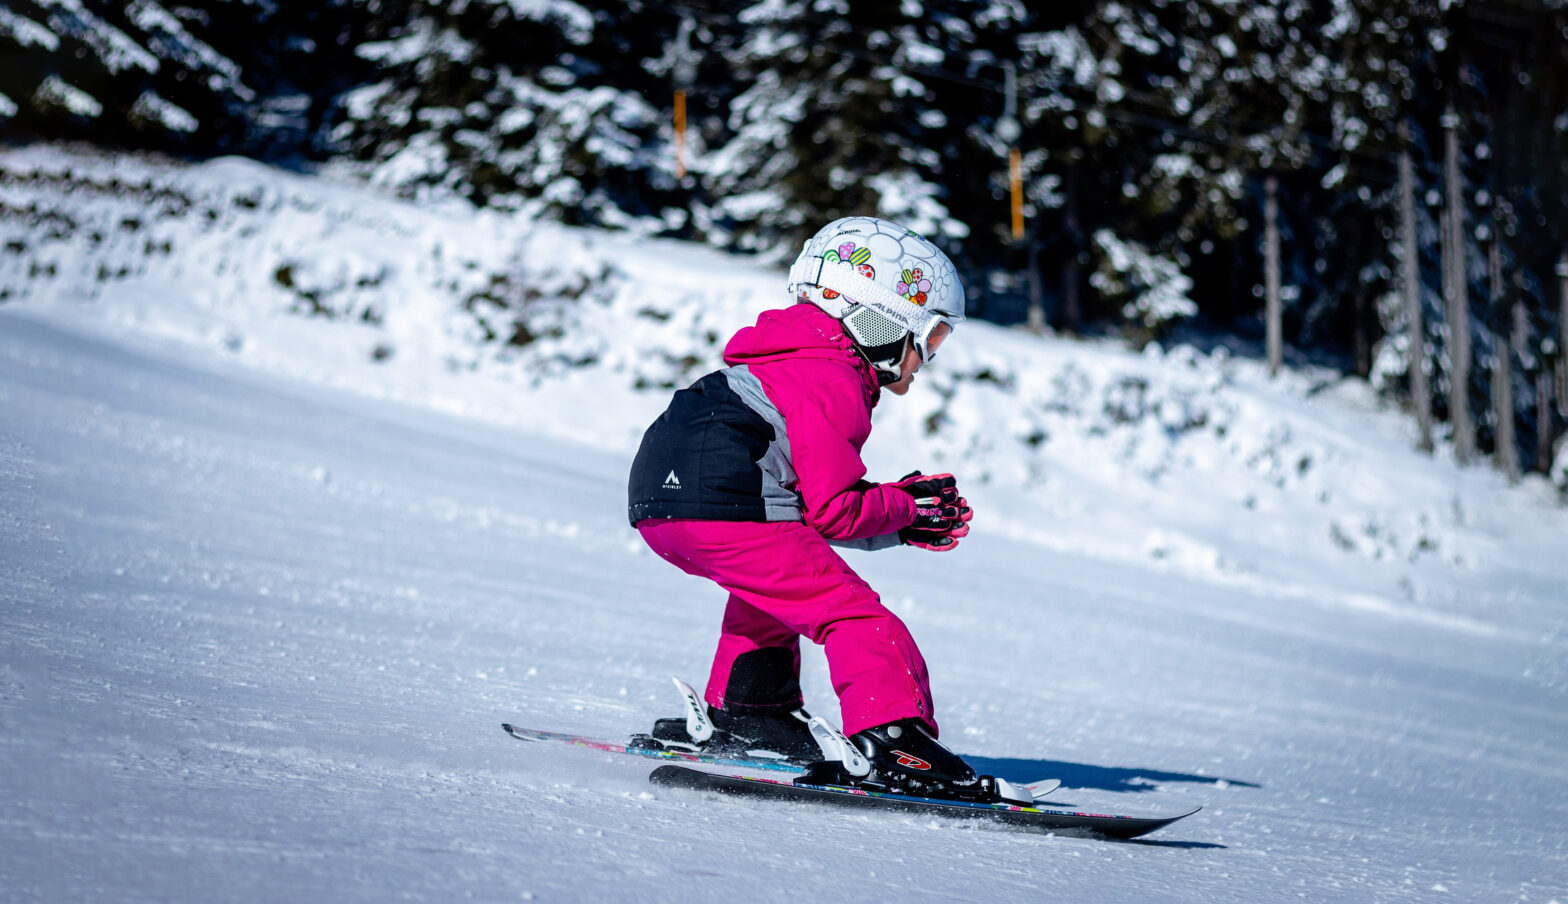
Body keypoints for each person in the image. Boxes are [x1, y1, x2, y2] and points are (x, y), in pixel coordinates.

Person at [627, 216, 1006, 802]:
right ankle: (896, 744)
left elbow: (805, 509)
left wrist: (898, 518)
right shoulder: (832, 376)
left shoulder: (781, 361)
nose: (922, 363)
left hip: (663, 503)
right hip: (726, 501)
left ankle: (757, 713)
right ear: (880, 320)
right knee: (856, 617)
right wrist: (906, 508)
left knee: (773, 589)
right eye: (928, 341)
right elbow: (834, 511)